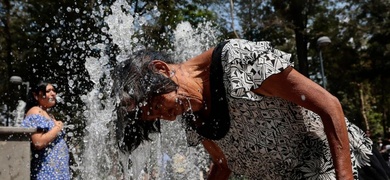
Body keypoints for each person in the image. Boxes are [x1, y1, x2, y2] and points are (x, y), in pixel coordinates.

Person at [112, 39, 390, 179]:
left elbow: (329, 106)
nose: (166, 116)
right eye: (155, 116)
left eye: (158, 105)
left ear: (161, 70)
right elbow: (223, 165)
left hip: (345, 168)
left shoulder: (237, 60)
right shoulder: (193, 116)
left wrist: (345, 178)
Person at [21, 81, 70, 180]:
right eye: (48, 91)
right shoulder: (35, 111)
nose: (53, 94)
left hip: (57, 171)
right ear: (36, 96)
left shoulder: (48, 114)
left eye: (53, 90)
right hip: (47, 172)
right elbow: (38, 142)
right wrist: (57, 128)